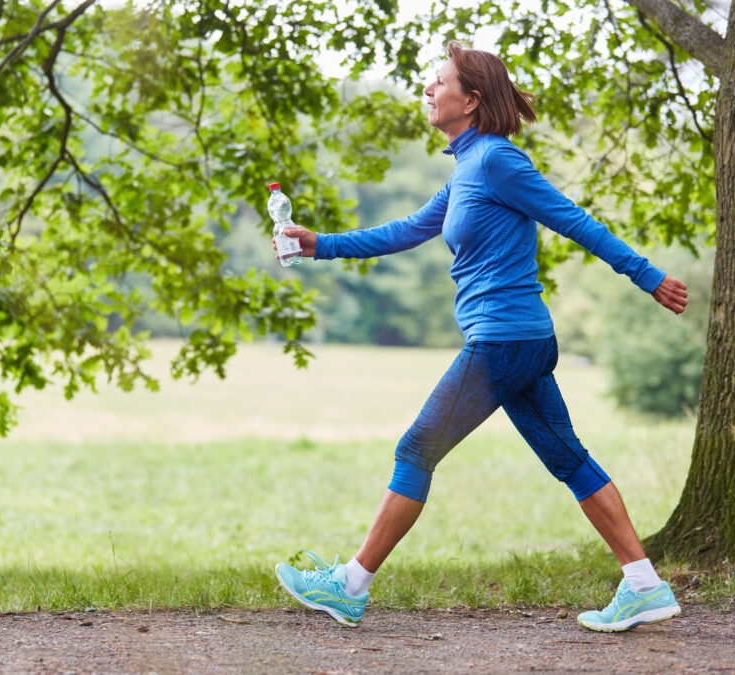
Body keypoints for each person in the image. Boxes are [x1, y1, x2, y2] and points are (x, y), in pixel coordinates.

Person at [273, 41, 689, 633]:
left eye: (438, 82)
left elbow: (572, 218)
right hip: (518, 343)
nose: (428, 89)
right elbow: (408, 230)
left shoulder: (497, 160)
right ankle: (645, 585)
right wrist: (319, 244)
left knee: (416, 449)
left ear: (470, 100)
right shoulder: (467, 167)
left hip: (502, 341)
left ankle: (350, 586)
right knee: (568, 460)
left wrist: (646, 276)